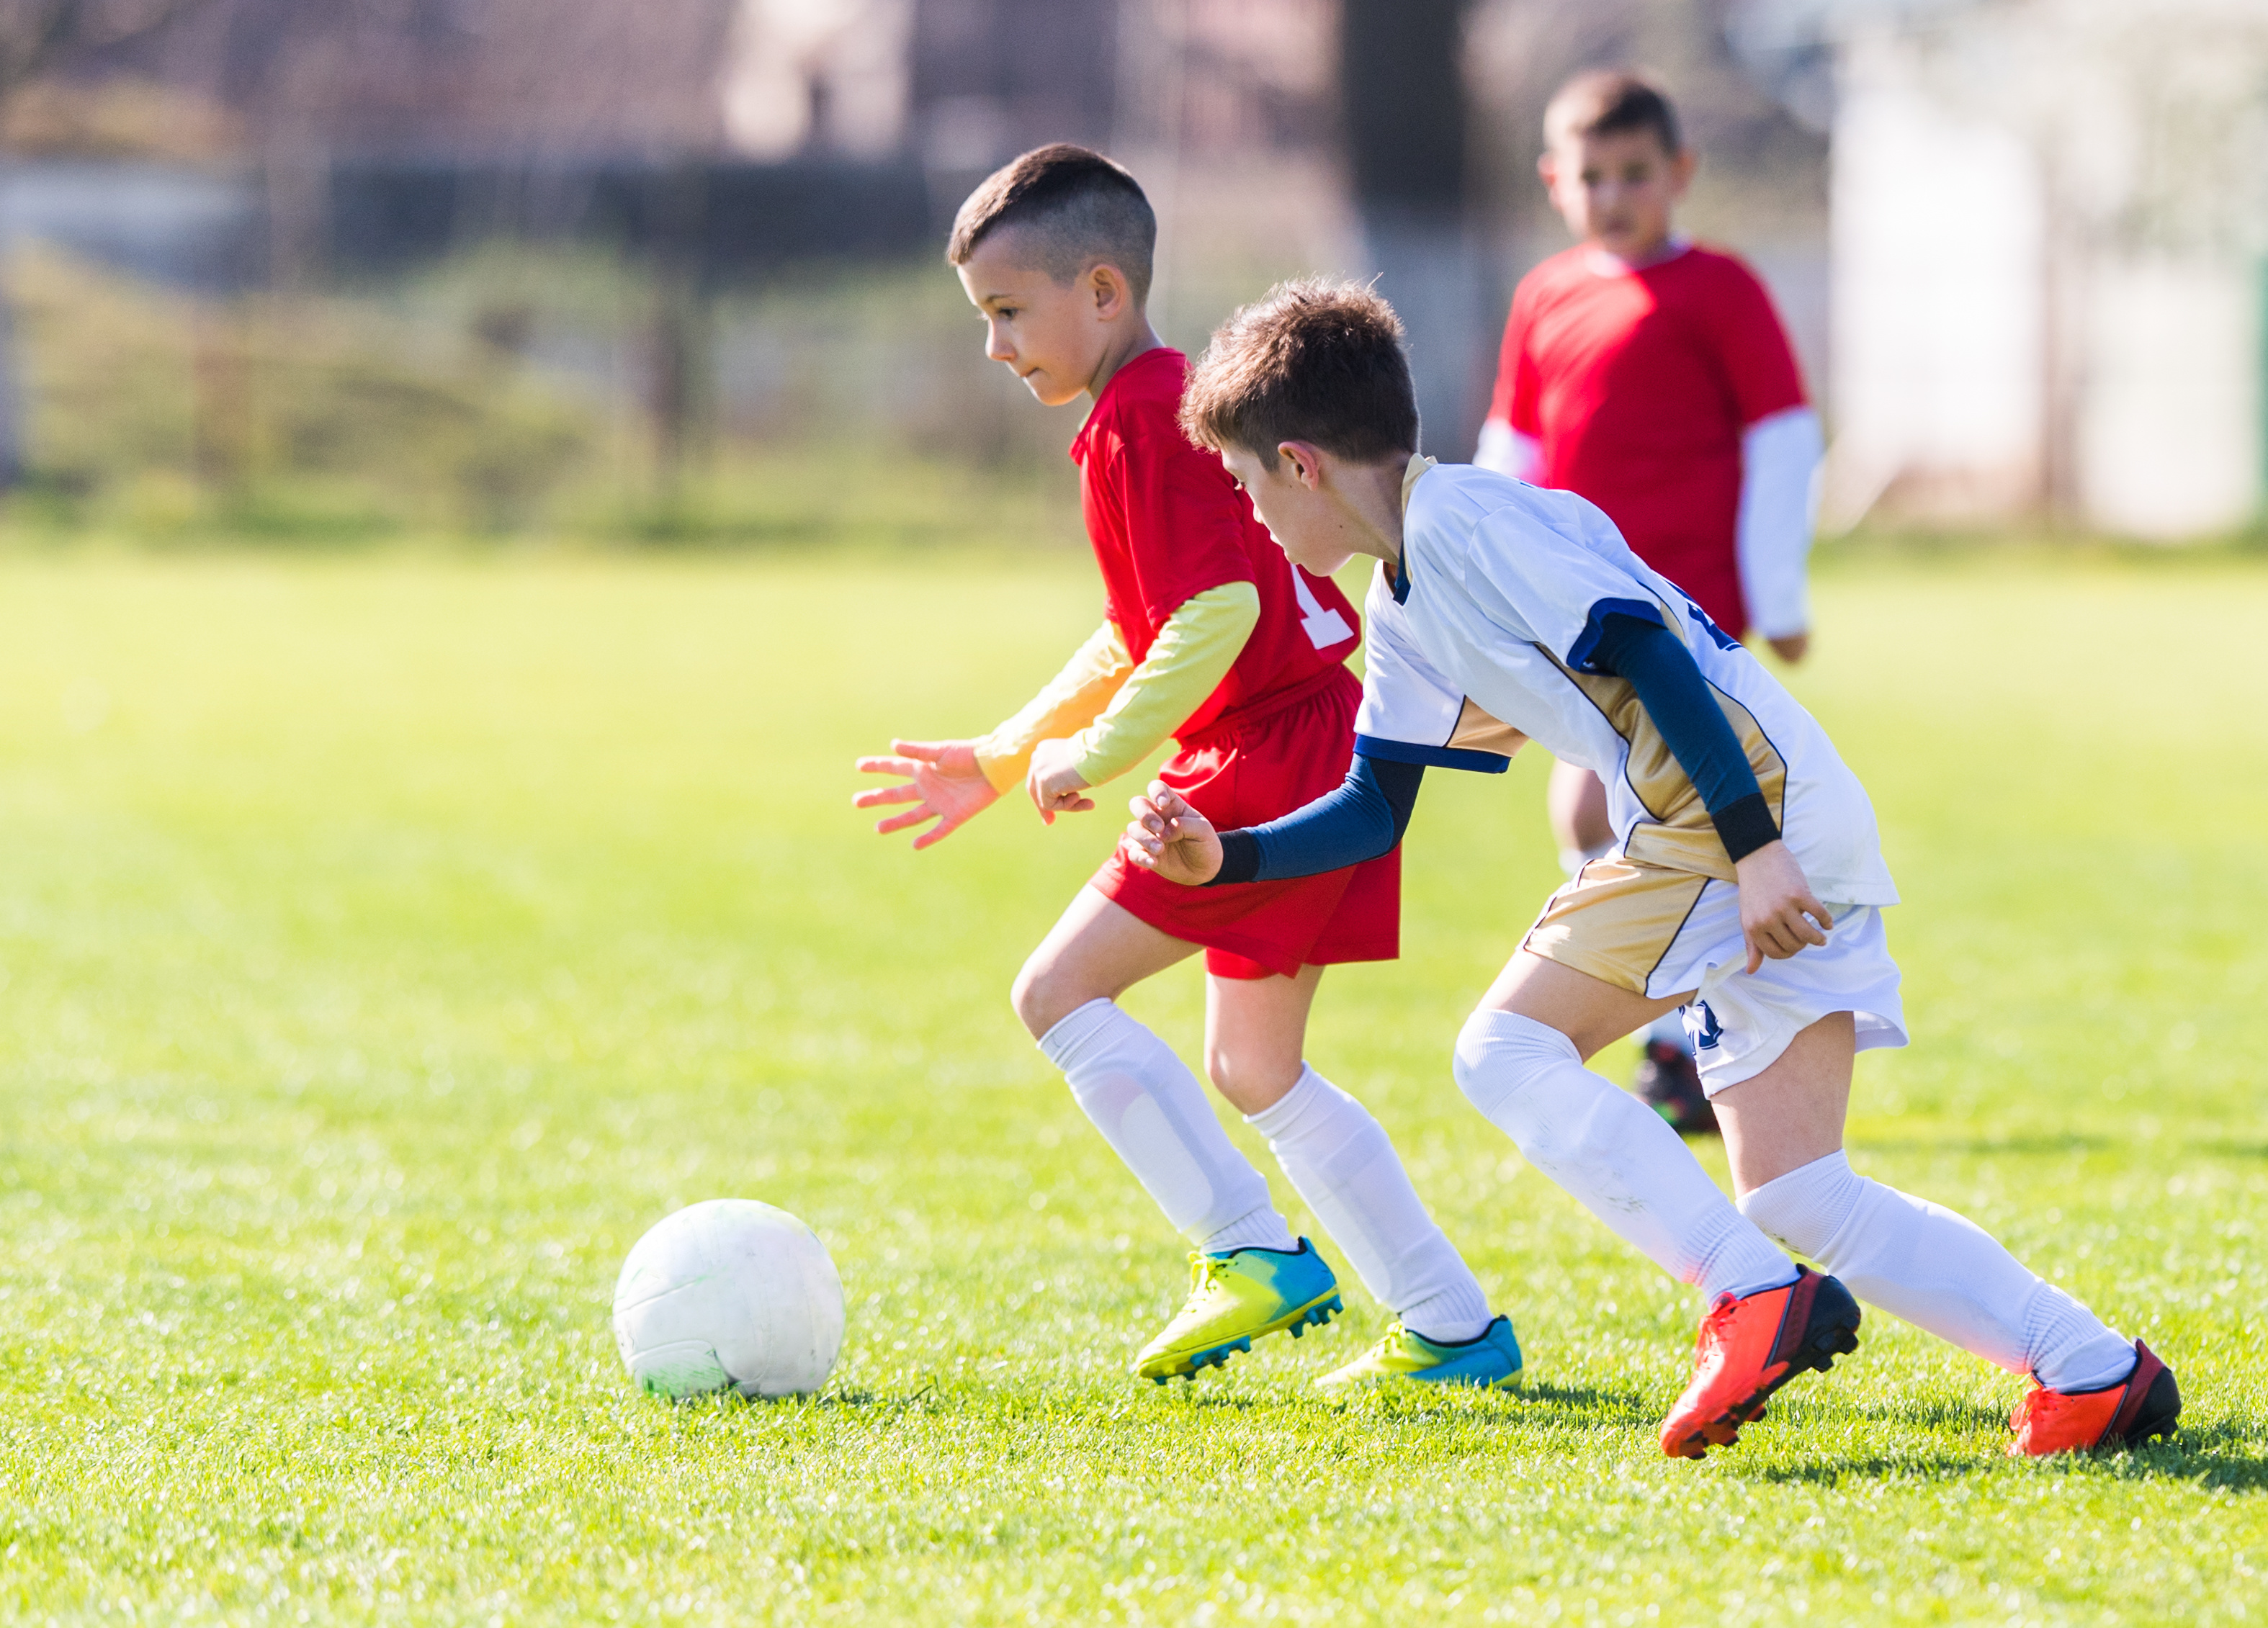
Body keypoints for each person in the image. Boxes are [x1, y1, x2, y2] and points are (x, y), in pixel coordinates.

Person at [1121, 276, 2179, 1459]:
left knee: (1503, 1049)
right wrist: (1231, 855)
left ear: (1302, 463)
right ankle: (2092, 1370)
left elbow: (1636, 641)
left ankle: (1747, 1293)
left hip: (1734, 809)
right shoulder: (1406, 591)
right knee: (1796, 1192)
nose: (1251, 514)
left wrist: (1755, 850)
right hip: (1763, 814)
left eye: (1247, 482)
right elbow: (1376, 805)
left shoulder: (1466, 522)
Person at [853, 145, 1518, 1391]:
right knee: (1255, 1065)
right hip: (1319, 731)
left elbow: (1208, 609)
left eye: (1008, 314)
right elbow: (1141, 623)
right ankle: (1450, 1326)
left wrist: (1095, 755)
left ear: (1101, 291)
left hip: (1269, 750)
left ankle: (1250, 1254)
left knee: (1056, 994)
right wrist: (1005, 755)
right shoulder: (1159, 401)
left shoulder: (1140, 419)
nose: (996, 349)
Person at [1474, 70, 1824, 1135]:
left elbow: (1781, 441)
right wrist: (1478, 581)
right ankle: (1667, 1013)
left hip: (1686, 616)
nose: (1614, 195)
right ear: (1553, 182)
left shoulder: (1719, 290)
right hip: (1576, 614)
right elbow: (1514, 450)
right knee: (1589, 810)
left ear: (1678, 173)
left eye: (1635, 173)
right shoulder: (1544, 297)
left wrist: (1779, 591)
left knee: (1646, 811)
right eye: (1591, 176)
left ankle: (1682, 1030)